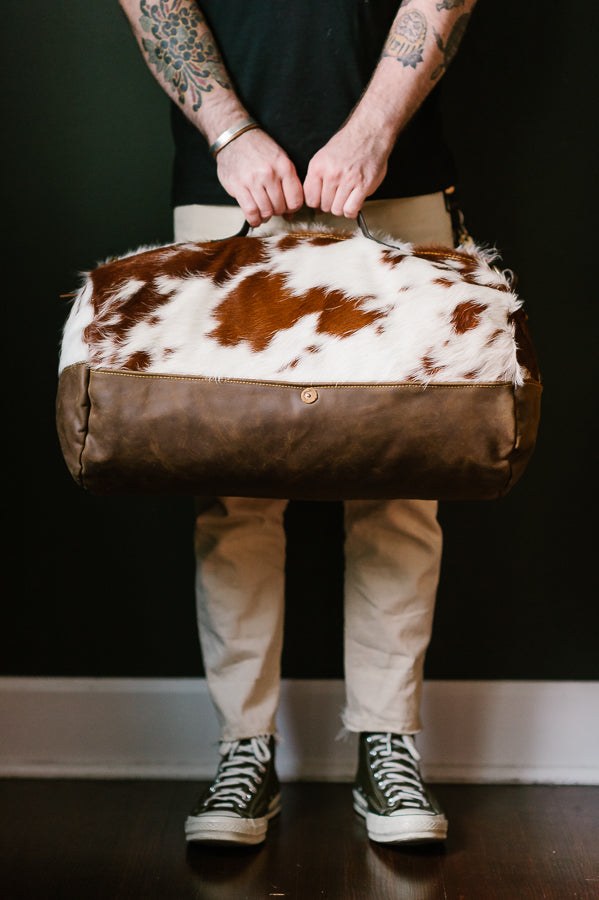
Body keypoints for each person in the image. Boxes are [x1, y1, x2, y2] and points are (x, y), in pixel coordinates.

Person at [120, 0, 477, 847]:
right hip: (227, 190)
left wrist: (372, 131)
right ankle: (243, 751)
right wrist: (230, 134)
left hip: (404, 182)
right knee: (233, 486)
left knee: (399, 484)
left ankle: (387, 745)